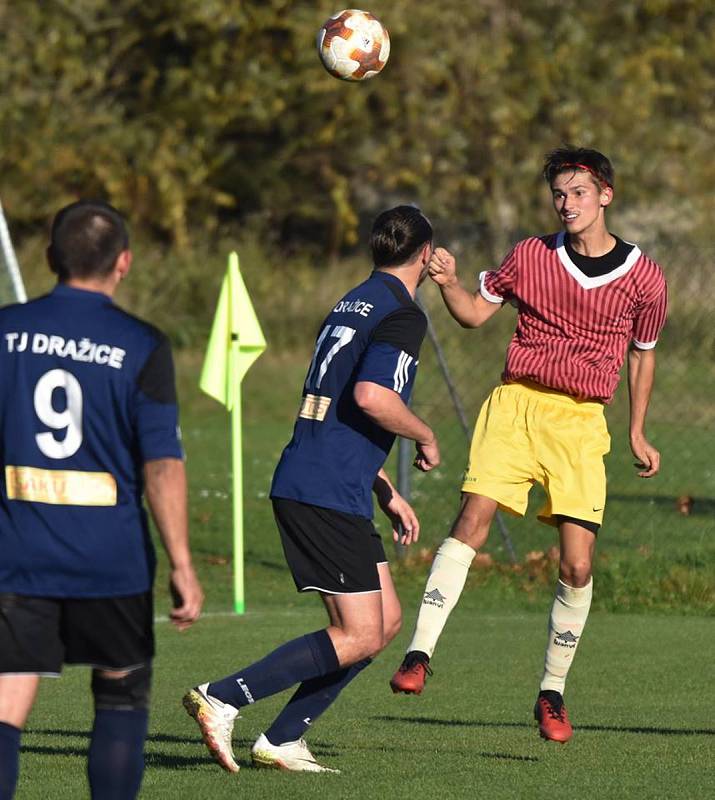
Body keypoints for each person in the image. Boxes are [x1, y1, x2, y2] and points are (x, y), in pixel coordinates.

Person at [390, 147, 668, 743]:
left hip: (581, 421)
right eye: (559, 195)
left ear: (605, 197)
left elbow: (643, 355)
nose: (567, 205)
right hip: (515, 405)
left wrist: (637, 429)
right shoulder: (530, 255)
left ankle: (552, 692)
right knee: (472, 521)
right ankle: (418, 655)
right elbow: (472, 315)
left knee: (577, 563)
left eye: (578, 194)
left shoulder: (644, 277)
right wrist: (448, 283)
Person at [183, 205, 440, 773]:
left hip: (329, 479)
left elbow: (338, 408)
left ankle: (281, 739)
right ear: (425, 253)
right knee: (358, 633)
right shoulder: (403, 313)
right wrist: (425, 435)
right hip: (322, 488)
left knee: (384, 623)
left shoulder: (351, 301)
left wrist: (382, 488)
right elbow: (374, 397)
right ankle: (223, 695)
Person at [0, 200, 204, 800]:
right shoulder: (142, 344)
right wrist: (184, 565)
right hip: (111, 561)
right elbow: (162, 465)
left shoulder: (4, 332)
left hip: (17, 553)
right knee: (120, 694)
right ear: (124, 263)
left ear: (48, 258)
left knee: (7, 700)